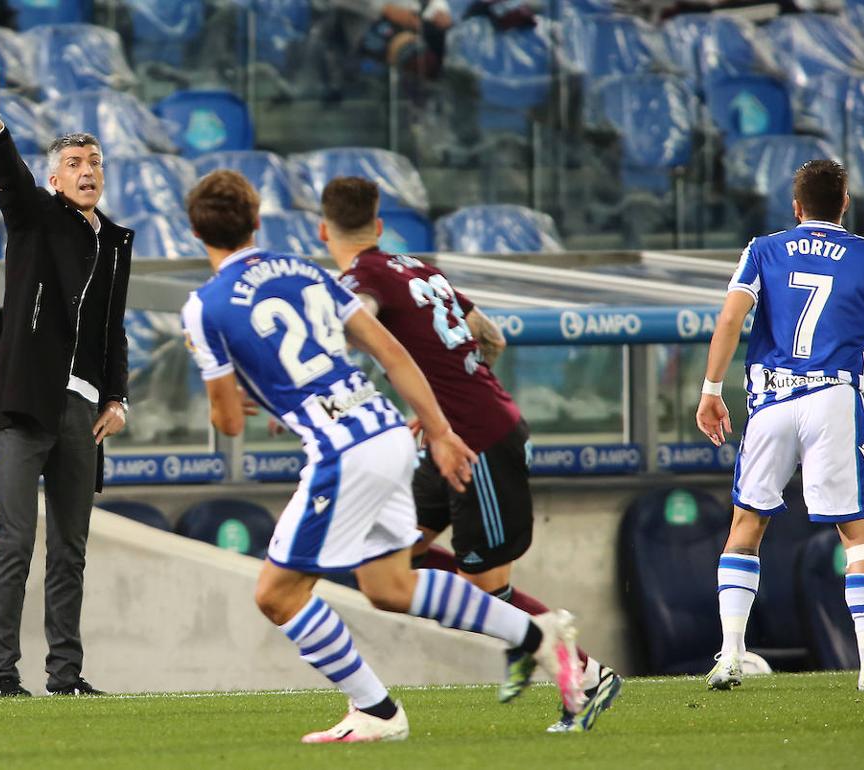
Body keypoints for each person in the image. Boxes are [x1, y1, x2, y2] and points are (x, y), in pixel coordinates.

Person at [179, 170, 585, 744]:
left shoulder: (204, 306)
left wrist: (232, 391)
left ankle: (377, 710)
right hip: (389, 433)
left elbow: (225, 424)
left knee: (276, 595)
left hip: (342, 451)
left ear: (196, 234)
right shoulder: (309, 272)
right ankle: (537, 634)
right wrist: (440, 433)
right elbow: (393, 354)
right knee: (389, 586)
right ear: (258, 222)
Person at [320, 176, 622, 732]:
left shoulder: (360, 279)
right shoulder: (418, 268)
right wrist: (441, 405)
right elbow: (491, 337)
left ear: (322, 229)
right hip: (455, 435)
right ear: (379, 225)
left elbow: (358, 317)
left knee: (489, 594)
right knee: (392, 558)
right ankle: (556, 649)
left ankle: (587, 673)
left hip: (476, 443)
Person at [697, 159, 864, 692]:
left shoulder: (763, 248)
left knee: (745, 528)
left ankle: (732, 655)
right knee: (858, 536)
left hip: (770, 397)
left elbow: (730, 318)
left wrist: (711, 391)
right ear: (845, 205)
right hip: (833, 397)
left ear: (796, 207)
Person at [0, 70, 134, 697]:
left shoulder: (116, 243)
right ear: (56, 179)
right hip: (24, 405)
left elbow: (112, 327)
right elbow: (9, 178)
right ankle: (4, 678)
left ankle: (65, 675)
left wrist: (116, 396)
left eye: (94, 161)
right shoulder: (36, 217)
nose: (87, 169)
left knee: (72, 550)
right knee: (17, 541)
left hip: (84, 412)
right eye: (74, 162)